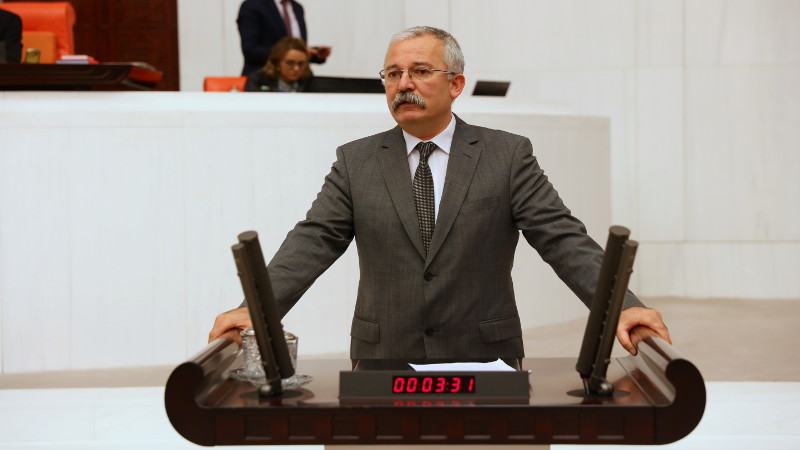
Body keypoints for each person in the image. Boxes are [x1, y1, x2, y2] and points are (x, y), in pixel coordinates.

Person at [209, 26, 670, 362]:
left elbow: (562, 238)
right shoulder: (356, 161)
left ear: (455, 84)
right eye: (393, 74)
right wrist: (257, 309)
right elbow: (312, 240)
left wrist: (621, 307)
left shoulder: (506, 155)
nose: (403, 84)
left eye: (420, 71)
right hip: (383, 357)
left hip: (484, 356)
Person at [237, 0, 331, 76]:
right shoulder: (253, 5)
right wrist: (288, 54)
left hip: (298, 83)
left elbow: (294, 46)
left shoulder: (297, 8)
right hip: (264, 79)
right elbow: (250, 50)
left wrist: (314, 53)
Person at [244, 36, 315, 92]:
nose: (296, 68)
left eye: (301, 63)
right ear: (277, 62)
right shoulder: (258, 81)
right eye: (290, 63)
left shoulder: (310, 83)